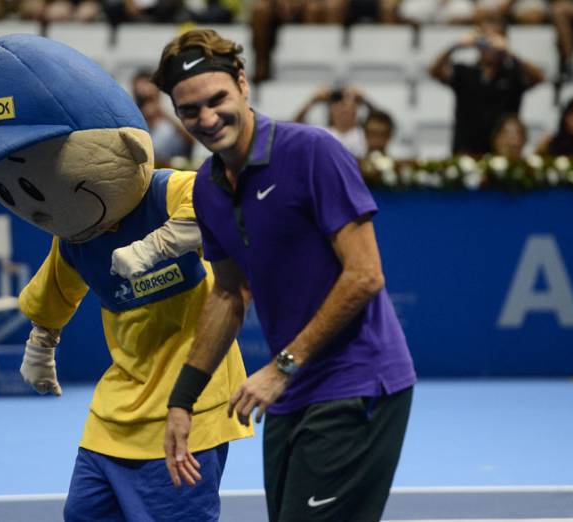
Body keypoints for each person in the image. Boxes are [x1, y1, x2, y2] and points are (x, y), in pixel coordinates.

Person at [0, 34, 252, 522]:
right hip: (117, 410)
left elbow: (220, 204)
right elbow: (54, 293)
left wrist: (156, 247)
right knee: (83, 514)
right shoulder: (77, 238)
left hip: (192, 402)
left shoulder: (169, 193)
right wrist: (41, 345)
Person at [152, 28, 417, 522]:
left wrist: (282, 366)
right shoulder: (208, 189)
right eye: (190, 111)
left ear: (243, 84)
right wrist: (182, 401)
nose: (207, 119)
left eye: (217, 100)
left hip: (359, 381)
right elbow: (230, 294)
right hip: (292, 393)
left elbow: (365, 276)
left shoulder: (314, 151)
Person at [429, 16, 544, 157]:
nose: (490, 45)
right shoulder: (464, 72)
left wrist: (510, 52)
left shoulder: (513, 74)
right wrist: (456, 46)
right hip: (467, 151)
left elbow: (539, 77)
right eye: (485, 38)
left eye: (495, 38)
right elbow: (434, 71)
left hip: (503, 152)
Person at [132, 70, 194, 164]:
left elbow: (192, 140)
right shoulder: (133, 117)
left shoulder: (173, 107)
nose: (145, 91)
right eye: (142, 98)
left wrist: (162, 114)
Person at [294, 86, 372, 158]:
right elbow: (295, 127)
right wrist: (313, 101)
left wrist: (365, 101)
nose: (343, 111)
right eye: (339, 109)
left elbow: (382, 121)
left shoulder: (366, 134)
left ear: (355, 111)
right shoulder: (321, 133)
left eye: (347, 110)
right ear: (330, 112)